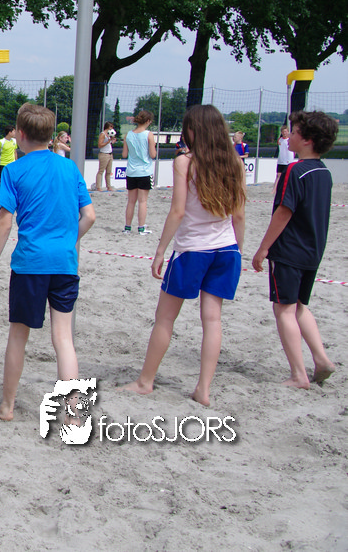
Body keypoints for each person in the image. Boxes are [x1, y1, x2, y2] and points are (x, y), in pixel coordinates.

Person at [0, 103, 96, 423]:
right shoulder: (69, 168)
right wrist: (68, 241)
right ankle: (74, 414)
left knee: (19, 336)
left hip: (30, 264)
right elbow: (89, 216)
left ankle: (7, 407)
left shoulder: (14, 170)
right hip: (65, 263)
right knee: (64, 339)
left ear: (20, 134)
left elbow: (5, 222)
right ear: (50, 135)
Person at [123, 105, 246, 406]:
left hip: (193, 249)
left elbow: (177, 211)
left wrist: (160, 250)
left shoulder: (185, 162)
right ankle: (203, 389)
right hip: (226, 249)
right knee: (212, 320)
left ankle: (145, 381)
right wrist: (239, 251)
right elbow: (239, 215)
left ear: (194, 130)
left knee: (165, 318)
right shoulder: (235, 162)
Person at [251, 111, 338, 389]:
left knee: (283, 310)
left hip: (289, 250)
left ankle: (299, 375)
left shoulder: (295, 170)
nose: (289, 135)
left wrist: (263, 248)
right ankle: (321, 359)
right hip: (313, 250)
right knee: (300, 306)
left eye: (295, 131)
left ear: (308, 139)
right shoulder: (324, 172)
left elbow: (283, 212)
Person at [122, 110, 157, 234]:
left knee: (131, 201)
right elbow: (152, 155)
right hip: (144, 171)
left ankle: (127, 227)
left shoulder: (128, 135)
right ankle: (141, 228)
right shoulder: (149, 134)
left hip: (131, 171)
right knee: (143, 201)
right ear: (147, 121)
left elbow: (124, 154)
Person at [91, 121, 117, 191]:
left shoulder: (109, 135)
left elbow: (109, 144)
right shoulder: (103, 134)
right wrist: (108, 141)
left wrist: (111, 141)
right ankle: (98, 186)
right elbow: (100, 145)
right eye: (111, 127)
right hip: (104, 154)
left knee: (108, 172)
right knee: (101, 171)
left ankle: (109, 186)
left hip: (109, 154)